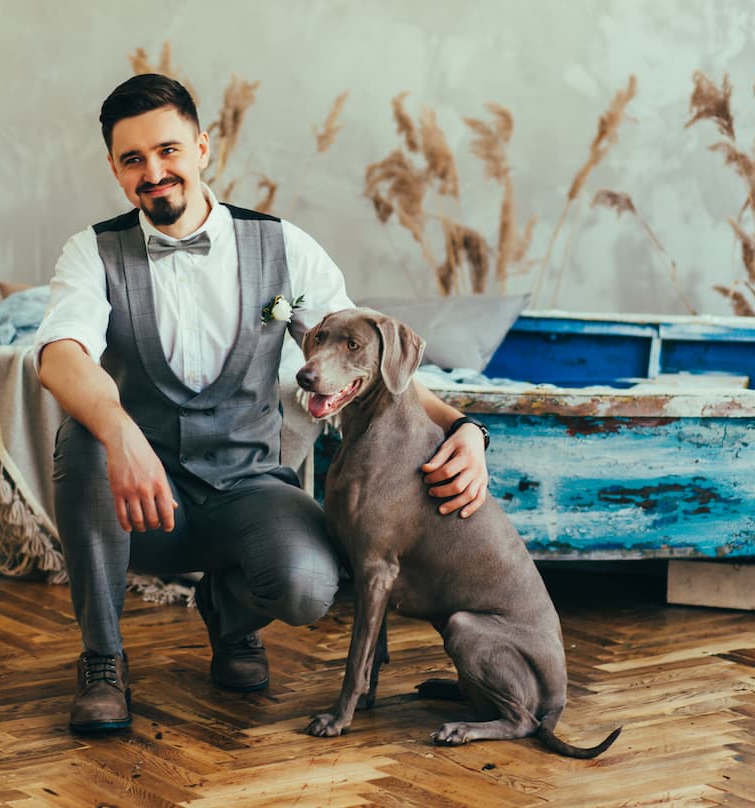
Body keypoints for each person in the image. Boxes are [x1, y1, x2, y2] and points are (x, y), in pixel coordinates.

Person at [34, 73, 490, 733]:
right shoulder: (92, 252)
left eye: (167, 151)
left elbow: (368, 363)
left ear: (202, 149)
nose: (153, 171)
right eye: (132, 159)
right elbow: (60, 355)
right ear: (114, 168)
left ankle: (230, 614)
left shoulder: (284, 247)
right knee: (85, 438)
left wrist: (466, 427)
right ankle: (103, 661)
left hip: (243, 482)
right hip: (142, 498)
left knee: (309, 584)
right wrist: (122, 434)